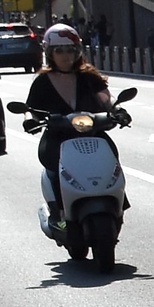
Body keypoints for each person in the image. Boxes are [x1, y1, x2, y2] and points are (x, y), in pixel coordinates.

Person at [23, 24, 112, 232]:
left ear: (77, 51)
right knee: (53, 168)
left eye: (70, 50)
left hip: (92, 133)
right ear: (50, 53)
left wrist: (116, 110)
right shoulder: (43, 81)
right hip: (58, 137)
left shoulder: (89, 76)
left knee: (111, 155)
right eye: (59, 50)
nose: (65, 55)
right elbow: (31, 108)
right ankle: (59, 213)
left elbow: (107, 98)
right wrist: (30, 119)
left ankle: (116, 201)